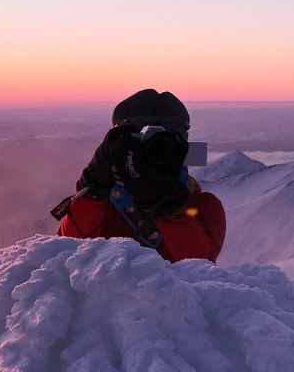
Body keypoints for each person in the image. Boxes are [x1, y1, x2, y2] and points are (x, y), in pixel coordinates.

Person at [53, 89, 225, 263]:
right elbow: (70, 250)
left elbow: (198, 265)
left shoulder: (203, 206)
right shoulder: (104, 201)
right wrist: (93, 187)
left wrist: (168, 204)